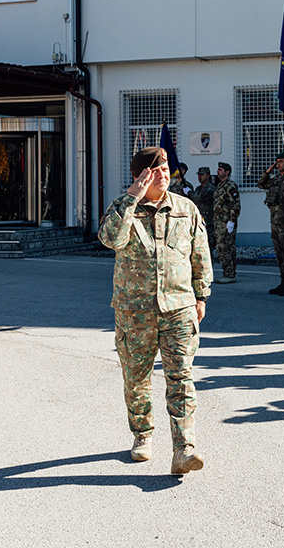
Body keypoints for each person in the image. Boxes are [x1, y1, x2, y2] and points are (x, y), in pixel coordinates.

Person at [98, 147, 211, 476]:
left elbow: (199, 253)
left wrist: (201, 295)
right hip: (135, 312)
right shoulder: (123, 210)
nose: (163, 174)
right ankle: (142, 435)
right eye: (155, 170)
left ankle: (184, 448)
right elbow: (109, 239)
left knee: (181, 379)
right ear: (139, 176)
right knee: (136, 380)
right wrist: (131, 198)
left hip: (178, 308)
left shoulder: (185, 209)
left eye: (165, 169)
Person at [259, 151, 284, 296]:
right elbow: (261, 183)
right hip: (275, 223)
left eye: (281, 161)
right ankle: (283, 281)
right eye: (277, 161)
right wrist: (268, 170)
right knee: (280, 253)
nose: (278, 164)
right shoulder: (276, 180)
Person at [211, 163, 241, 283]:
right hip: (219, 222)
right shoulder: (220, 185)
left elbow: (236, 204)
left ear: (227, 172)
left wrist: (232, 221)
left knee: (225, 248)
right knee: (223, 248)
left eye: (220, 170)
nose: (217, 172)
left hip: (226, 222)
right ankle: (229, 273)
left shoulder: (230, 185)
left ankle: (229, 274)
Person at [189, 167, 217, 253]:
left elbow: (198, 198)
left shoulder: (210, 188)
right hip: (199, 221)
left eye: (202, 175)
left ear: (208, 175)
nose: (200, 177)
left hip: (208, 222)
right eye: (199, 175)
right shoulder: (198, 188)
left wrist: (189, 192)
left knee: (208, 247)